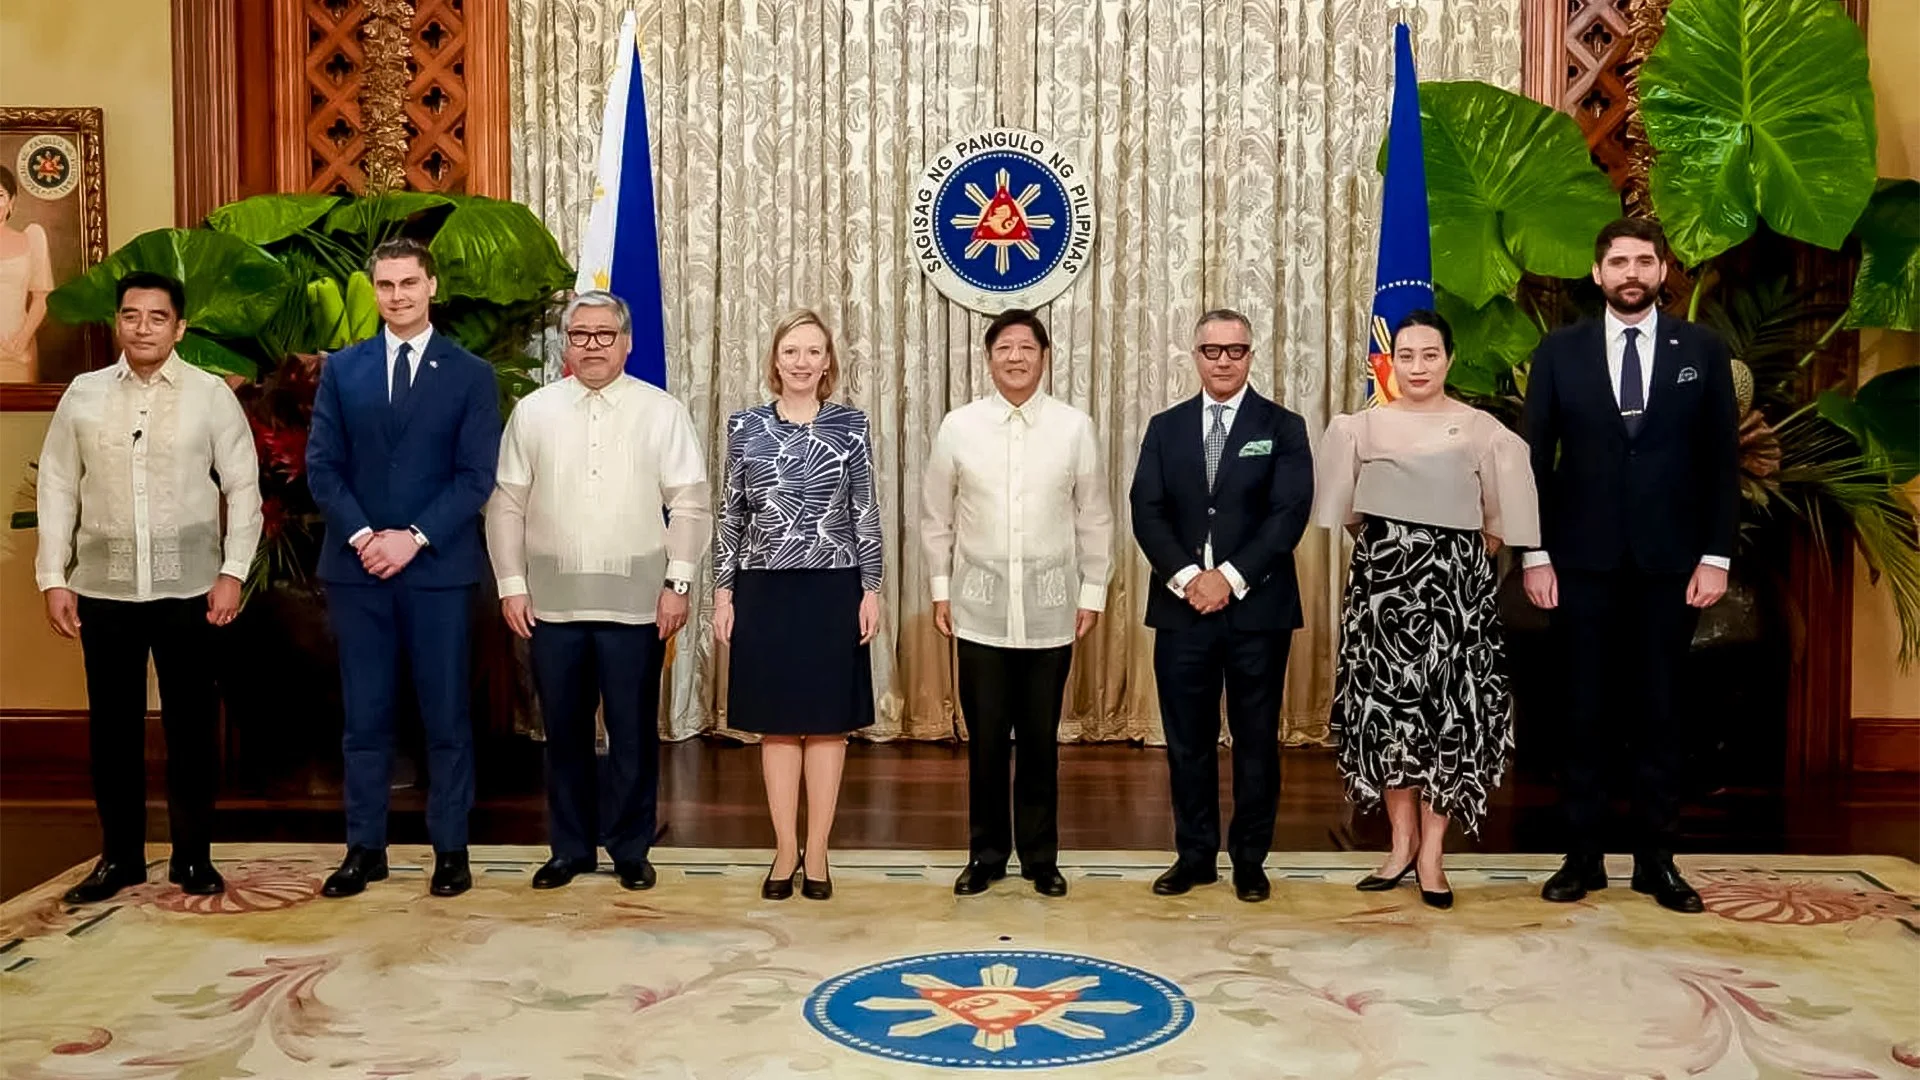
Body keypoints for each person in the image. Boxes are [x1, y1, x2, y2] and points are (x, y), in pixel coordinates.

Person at [1523, 217, 1739, 914]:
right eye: (1618, 261)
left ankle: (1657, 861)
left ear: (1662, 270)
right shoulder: (1560, 352)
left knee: (1660, 715)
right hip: (1579, 563)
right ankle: (1580, 858)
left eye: (1644, 260)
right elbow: (1534, 459)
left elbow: (1720, 463)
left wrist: (1715, 555)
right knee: (1582, 712)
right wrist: (1535, 552)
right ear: (1597, 274)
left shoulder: (1702, 350)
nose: (1631, 273)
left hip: (1671, 566)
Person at [36, 271, 262, 903]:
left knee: (190, 727)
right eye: (131, 316)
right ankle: (120, 858)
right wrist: (54, 576)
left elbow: (243, 487)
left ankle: (193, 857)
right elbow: (57, 486)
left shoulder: (211, 395)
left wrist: (232, 572)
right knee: (113, 729)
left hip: (190, 587)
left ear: (179, 326)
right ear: (118, 323)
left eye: (157, 317)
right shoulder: (82, 395)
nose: (143, 328)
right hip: (104, 589)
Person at [485, 291, 711, 892]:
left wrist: (678, 584)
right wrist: (511, 584)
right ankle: (570, 849)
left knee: (634, 733)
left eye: (604, 335)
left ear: (627, 342)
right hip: (551, 606)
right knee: (562, 733)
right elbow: (506, 503)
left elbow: (690, 503)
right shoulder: (533, 412)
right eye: (580, 334)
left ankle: (631, 849)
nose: (592, 346)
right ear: (566, 342)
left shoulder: (661, 412)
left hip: (639, 604)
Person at [1313, 309, 1539, 909]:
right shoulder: (1360, 427)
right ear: (1392, 362)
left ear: (1449, 358)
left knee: (1449, 717)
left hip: (1457, 596)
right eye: (1406, 355)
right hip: (1383, 593)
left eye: (1430, 355)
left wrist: (1452, 557)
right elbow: (1351, 517)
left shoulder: (1482, 429)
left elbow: (1499, 521)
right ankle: (1400, 844)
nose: (1417, 366)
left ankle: (1434, 855)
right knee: (1388, 716)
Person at [306, 237, 501, 899]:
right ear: (375, 291)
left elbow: (476, 478)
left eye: (409, 283)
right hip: (357, 570)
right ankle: (365, 849)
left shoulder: (471, 374)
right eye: (386, 285)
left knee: (445, 715)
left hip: (437, 572)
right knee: (365, 717)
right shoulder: (344, 369)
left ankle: (450, 849)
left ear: (431, 286)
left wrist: (412, 538)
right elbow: (322, 468)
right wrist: (367, 536)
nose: (397, 296)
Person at [922, 308, 1113, 899]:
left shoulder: (1073, 427)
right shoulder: (960, 425)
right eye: (1004, 347)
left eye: (1026, 347)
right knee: (984, 742)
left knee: (1038, 741)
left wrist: (1092, 591)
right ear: (989, 358)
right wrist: (940, 589)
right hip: (978, 607)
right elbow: (936, 517)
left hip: (1052, 608)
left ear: (1044, 355)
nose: (1015, 357)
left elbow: (1095, 515)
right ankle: (984, 855)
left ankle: (1039, 856)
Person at [1128, 309, 1313, 902]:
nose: (1225, 360)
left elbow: (1289, 514)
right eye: (1213, 351)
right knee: (1188, 738)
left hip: (1258, 611)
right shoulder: (1166, 427)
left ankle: (1251, 859)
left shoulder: (1283, 426)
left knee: (1256, 738)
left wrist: (1229, 578)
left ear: (1251, 355)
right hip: (1183, 609)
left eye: (1236, 350)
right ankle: (1195, 855)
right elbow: (1145, 509)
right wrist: (1189, 577)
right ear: (1196, 355)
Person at [713, 309, 882, 902]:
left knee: (828, 726)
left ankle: (819, 851)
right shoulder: (745, 426)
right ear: (775, 360)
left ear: (828, 361)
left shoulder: (851, 426)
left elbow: (866, 512)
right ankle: (784, 848)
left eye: (813, 351)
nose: (802, 362)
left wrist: (873, 589)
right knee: (779, 727)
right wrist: (722, 591)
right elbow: (731, 514)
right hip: (764, 588)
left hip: (834, 587)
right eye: (791, 351)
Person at [0, 166, 54, 383]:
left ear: (11, 202)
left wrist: (20, 340)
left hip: (20, 348)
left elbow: (42, 297)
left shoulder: (32, 237)